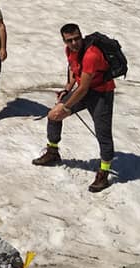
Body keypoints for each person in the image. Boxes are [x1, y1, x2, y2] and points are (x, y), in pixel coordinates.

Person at [32, 24, 116, 193]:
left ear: (81, 36)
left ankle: (104, 172)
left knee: (103, 133)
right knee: (53, 116)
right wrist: (67, 89)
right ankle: (53, 151)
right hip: (83, 90)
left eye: (77, 38)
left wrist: (65, 107)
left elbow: (84, 88)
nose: (74, 43)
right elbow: (73, 69)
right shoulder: (69, 51)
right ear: (64, 41)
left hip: (101, 93)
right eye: (69, 40)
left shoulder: (91, 55)